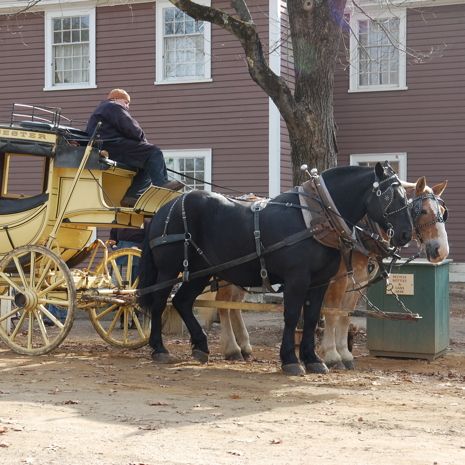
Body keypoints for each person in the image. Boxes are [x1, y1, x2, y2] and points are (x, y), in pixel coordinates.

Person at [86, 88, 183, 207]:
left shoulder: (103, 109)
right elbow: (132, 129)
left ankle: (132, 197)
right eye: (126, 102)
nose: (127, 107)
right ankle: (162, 184)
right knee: (154, 152)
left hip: (106, 146)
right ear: (116, 99)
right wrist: (145, 142)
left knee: (145, 164)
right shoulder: (112, 106)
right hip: (113, 145)